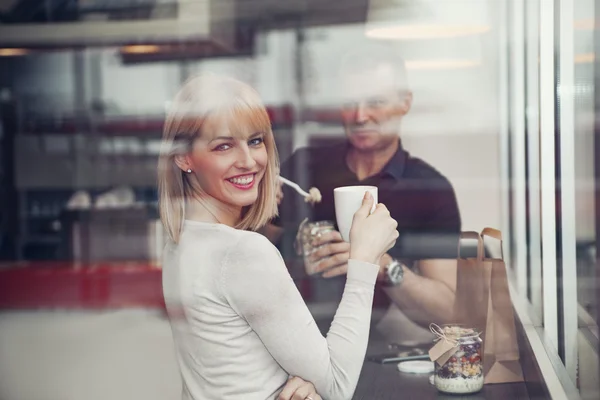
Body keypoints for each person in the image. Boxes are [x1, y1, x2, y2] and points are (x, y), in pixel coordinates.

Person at [158, 74, 399, 400]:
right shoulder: (243, 252)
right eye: (224, 146)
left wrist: (291, 376)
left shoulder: (181, 239)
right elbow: (338, 386)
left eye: (255, 141)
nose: (248, 161)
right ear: (184, 157)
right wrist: (365, 259)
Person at [268, 45, 461, 342]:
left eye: (375, 102)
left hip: (366, 347)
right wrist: (275, 228)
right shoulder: (304, 166)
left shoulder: (429, 189)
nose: (360, 116)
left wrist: (382, 265)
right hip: (284, 338)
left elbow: (446, 312)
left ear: (405, 103)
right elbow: (253, 249)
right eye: (349, 102)